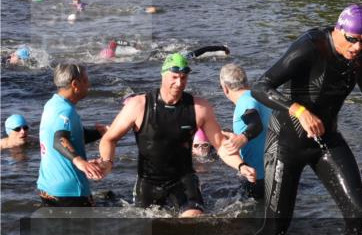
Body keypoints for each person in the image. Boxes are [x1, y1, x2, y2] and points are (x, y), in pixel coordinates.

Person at [241, 4, 362, 235]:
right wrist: (299, 110)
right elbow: (261, 86)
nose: (357, 47)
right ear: (338, 30)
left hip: (326, 140)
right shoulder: (310, 46)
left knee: (359, 213)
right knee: (277, 227)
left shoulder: (361, 53)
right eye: (352, 40)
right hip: (286, 143)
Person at [98, 53, 253, 216]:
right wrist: (107, 162)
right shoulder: (138, 105)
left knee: (193, 219)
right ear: (163, 75)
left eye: (183, 78)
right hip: (148, 182)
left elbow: (220, 145)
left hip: (183, 180)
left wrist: (241, 166)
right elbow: (109, 139)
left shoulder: (200, 108)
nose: (179, 83)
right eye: (174, 77)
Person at [37, 64, 108, 207]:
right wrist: (80, 161)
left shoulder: (52, 104)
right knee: (86, 229)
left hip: (47, 188)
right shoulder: (65, 111)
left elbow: (72, 137)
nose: (89, 84)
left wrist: (101, 132)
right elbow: (59, 140)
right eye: (86, 80)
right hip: (70, 191)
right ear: (75, 84)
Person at [219, 63, 270, 200]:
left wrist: (243, 138)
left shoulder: (245, 102)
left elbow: (256, 124)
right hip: (273, 170)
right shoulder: (259, 96)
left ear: (225, 88)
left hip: (256, 176)